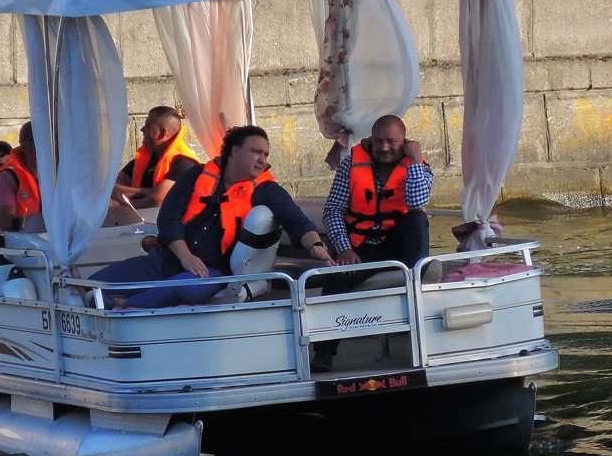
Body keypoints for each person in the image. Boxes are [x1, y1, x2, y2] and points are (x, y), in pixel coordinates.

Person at [91, 125, 335, 309]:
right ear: (234, 151)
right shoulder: (197, 175)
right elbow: (168, 218)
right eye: (256, 152)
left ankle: (127, 307)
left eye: (266, 154)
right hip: (167, 261)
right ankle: (121, 302)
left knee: (188, 287)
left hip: (210, 273)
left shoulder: (266, 190)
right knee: (91, 288)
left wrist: (316, 246)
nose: (263, 159)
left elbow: (296, 220)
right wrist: (185, 256)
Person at [311, 114, 435, 372]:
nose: (385, 148)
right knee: (336, 277)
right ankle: (323, 352)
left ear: (405, 141)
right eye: (379, 142)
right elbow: (333, 210)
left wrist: (413, 161)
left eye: (392, 142)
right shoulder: (351, 164)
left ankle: (415, 278)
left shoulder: (418, 165)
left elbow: (415, 203)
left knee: (417, 220)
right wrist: (344, 247)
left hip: (398, 246)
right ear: (371, 140)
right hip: (360, 246)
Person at [112, 106, 201, 208]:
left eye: (148, 125)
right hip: (139, 221)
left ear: (162, 133)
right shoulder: (143, 159)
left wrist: (124, 203)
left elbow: (158, 199)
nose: (142, 129)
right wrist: (150, 192)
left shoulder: (185, 163)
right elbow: (110, 188)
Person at [0, 121, 42, 244]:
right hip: (18, 251)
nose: (49, 147)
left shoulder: (58, 173)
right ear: (24, 146)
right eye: (40, 142)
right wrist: (39, 221)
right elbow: (5, 222)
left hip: (51, 245)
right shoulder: (6, 178)